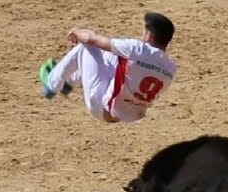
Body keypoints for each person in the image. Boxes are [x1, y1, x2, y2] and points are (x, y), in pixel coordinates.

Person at [38, 13, 177, 125]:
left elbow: (90, 39)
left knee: (88, 47)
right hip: (126, 114)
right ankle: (69, 82)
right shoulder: (171, 68)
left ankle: (52, 84)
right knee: (110, 56)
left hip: (101, 108)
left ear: (148, 36)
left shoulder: (138, 49)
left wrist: (77, 31)